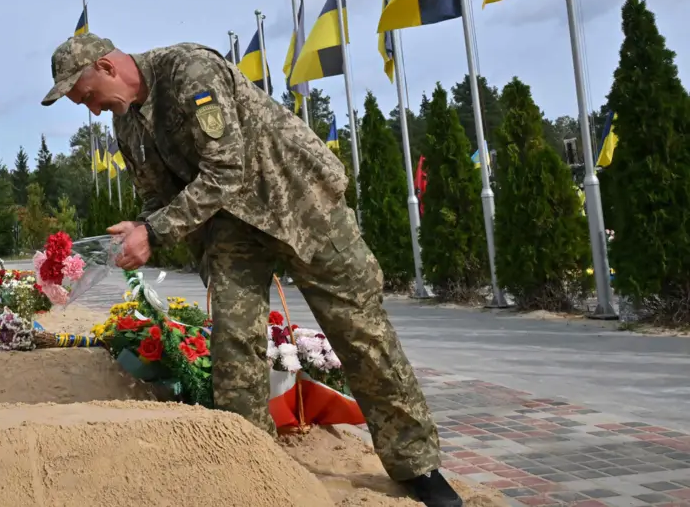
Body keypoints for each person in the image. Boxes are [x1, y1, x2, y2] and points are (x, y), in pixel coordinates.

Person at [41, 33, 462, 507]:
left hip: (301, 204)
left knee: (360, 333)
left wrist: (155, 231)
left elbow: (227, 169)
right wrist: (141, 225)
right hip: (233, 226)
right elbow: (159, 195)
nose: (92, 110)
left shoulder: (188, 72)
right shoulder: (127, 125)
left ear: (106, 66)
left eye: (87, 95)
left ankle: (417, 467)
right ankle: (255, 469)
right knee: (234, 344)